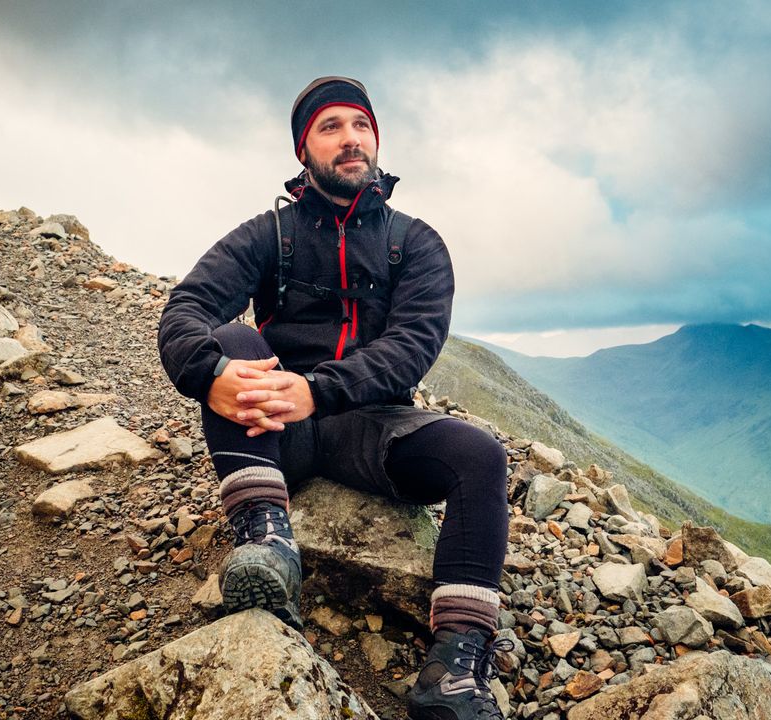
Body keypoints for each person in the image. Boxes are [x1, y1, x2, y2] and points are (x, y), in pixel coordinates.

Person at [158, 76, 510, 720]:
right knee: (232, 337)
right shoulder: (270, 233)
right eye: (331, 126)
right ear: (303, 150)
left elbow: (414, 344)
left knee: (479, 453)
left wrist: (318, 390)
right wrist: (209, 372)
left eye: (361, 125)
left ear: (375, 139)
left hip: (371, 427)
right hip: (273, 430)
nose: (351, 139)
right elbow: (186, 308)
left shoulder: (417, 242)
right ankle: (268, 544)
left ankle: (456, 666)